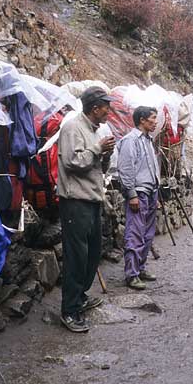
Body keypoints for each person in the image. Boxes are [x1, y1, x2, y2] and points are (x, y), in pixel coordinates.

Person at [57, 87, 116, 333]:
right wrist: (97, 149)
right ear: (94, 108)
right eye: (106, 107)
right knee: (76, 257)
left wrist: (105, 155)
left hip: (91, 199)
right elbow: (73, 162)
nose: (109, 111)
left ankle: (79, 297)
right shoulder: (72, 127)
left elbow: (95, 167)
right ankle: (69, 311)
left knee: (92, 253)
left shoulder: (94, 130)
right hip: (75, 201)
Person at [117, 106, 160, 290]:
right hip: (139, 193)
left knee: (148, 234)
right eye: (153, 118)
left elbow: (150, 168)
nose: (156, 122)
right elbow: (126, 169)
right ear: (142, 120)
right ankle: (131, 274)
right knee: (135, 233)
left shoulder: (148, 141)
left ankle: (140, 268)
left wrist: (156, 191)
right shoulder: (130, 140)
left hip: (150, 192)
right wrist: (131, 194)